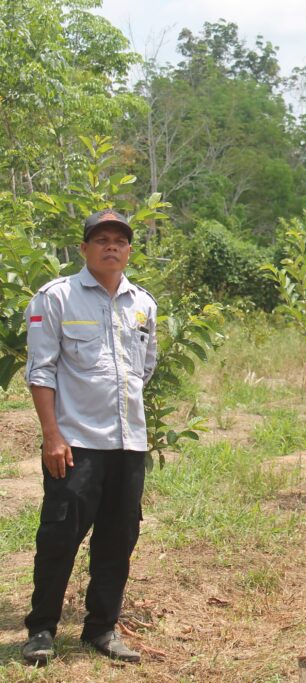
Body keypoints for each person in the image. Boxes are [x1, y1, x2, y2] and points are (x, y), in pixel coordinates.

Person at [21, 210, 157, 665]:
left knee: (119, 538)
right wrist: (51, 436)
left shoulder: (143, 304)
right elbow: (40, 370)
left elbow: (144, 368)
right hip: (75, 443)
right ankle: (41, 629)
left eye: (120, 240)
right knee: (59, 537)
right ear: (84, 249)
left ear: (130, 250)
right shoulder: (56, 297)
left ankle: (101, 628)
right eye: (101, 239)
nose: (111, 247)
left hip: (128, 444)